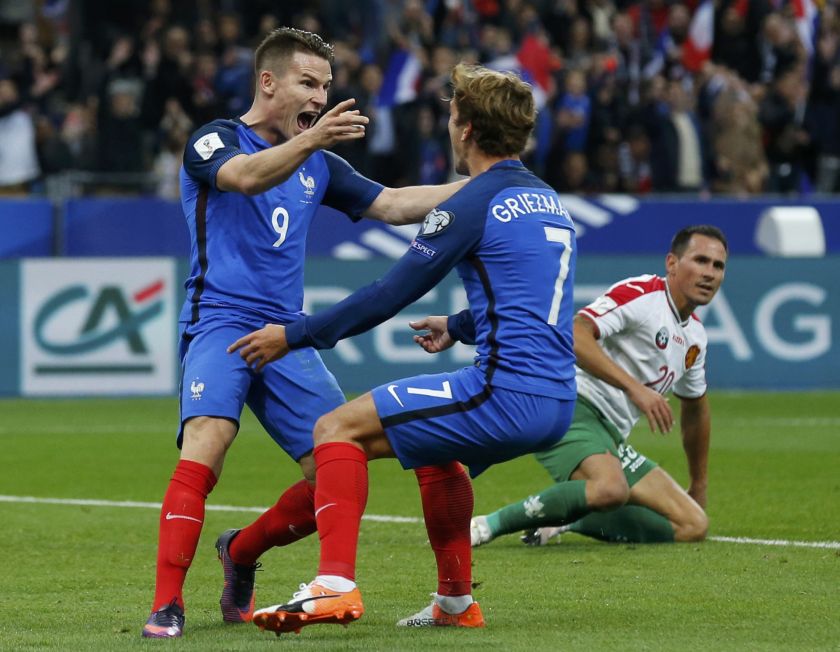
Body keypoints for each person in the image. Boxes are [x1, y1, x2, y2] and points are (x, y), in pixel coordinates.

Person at [228, 62, 578, 635]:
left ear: (465, 130)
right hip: (555, 398)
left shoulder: (471, 201)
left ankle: (333, 583)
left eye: (450, 115)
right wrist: (460, 326)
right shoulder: (547, 199)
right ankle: (455, 603)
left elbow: (387, 294)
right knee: (436, 450)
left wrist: (292, 334)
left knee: (336, 429)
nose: (448, 125)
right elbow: (533, 303)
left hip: (503, 394)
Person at [141, 27, 468, 639]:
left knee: (338, 468)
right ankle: (167, 604)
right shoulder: (213, 140)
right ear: (269, 82)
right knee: (206, 442)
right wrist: (315, 137)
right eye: (308, 83)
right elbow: (244, 178)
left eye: (326, 86)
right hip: (220, 323)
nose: (320, 97)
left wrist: (481, 188)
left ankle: (239, 552)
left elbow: (395, 204)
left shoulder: (319, 163)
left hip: (286, 336)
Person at [470, 225, 727, 549]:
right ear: (672, 263)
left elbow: (695, 410)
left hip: (611, 436)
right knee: (610, 488)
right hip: (568, 407)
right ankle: (486, 525)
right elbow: (575, 335)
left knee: (692, 524)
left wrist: (699, 484)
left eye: (718, 266)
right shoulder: (643, 296)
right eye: (700, 260)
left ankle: (566, 519)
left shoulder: (696, 339)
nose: (709, 273)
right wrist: (635, 388)